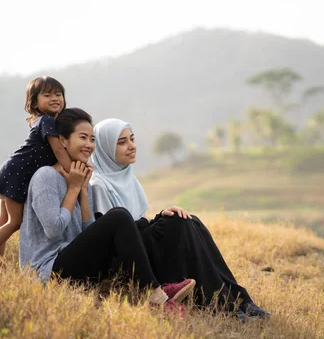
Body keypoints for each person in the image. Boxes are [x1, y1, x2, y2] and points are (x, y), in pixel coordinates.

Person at [89, 118, 270, 320]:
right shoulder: (99, 185)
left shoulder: (127, 177)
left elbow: (137, 221)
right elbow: (117, 236)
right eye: (121, 142)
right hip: (129, 262)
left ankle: (241, 299)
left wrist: (160, 215)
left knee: (191, 221)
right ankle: (223, 305)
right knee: (176, 222)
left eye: (132, 139)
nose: (132, 146)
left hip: (140, 243)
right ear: (104, 148)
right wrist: (161, 222)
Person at [19, 108, 195, 311]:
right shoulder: (45, 177)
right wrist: (73, 189)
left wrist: (83, 191)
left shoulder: (84, 181)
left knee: (141, 225)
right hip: (47, 272)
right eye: (83, 137)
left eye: (92, 139)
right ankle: (156, 296)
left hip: (75, 264)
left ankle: (162, 289)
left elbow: (88, 233)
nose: (89, 145)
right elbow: (54, 230)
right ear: (63, 141)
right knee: (119, 216)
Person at [0, 76, 72, 262]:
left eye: (58, 94)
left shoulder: (41, 120)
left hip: (11, 169)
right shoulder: (46, 120)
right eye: (47, 95)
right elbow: (58, 149)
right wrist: (71, 171)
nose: (55, 98)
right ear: (34, 101)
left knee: (3, 221)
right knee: (14, 222)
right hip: (17, 174)